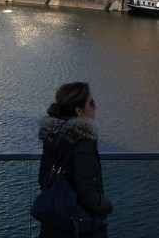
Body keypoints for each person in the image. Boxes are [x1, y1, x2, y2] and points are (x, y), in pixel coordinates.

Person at [37, 82, 113, 238]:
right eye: (91, 103)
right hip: (81, 226)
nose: (95, 107)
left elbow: (43, 179)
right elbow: (86, 191)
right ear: (79, 110)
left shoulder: (52, 137)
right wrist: (106, 205)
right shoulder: (83, 141)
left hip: (53, 222)